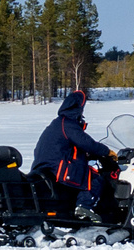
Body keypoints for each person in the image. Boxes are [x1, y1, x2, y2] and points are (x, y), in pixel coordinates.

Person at [33, 88, 114, 219]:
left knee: (85, 173)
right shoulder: (68, 124)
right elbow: (86, 142)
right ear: (77, 108)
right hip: (57, 169)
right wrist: (107, 152)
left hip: (45, 167)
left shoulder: (57, 123)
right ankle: (84, 208)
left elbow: (66, 148)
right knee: (95, 179)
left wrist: (87, 155)